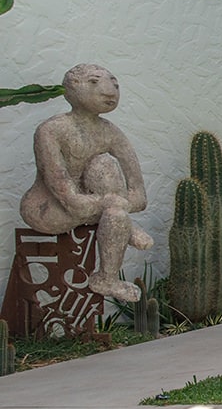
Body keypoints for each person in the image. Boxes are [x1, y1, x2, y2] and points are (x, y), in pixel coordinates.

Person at [20, 63, 152, 301]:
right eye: (94, 82)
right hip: (49, 210)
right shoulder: (51, 130)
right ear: (72, 89)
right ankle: (125, 228)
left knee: (103, 165)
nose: (110, 90)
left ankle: (106, 278)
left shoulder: (111, 132)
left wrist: (115, 208)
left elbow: (140, 196)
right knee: (117, 216)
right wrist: (116, 207)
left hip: (92, 204)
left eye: (115, 83)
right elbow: (69, 198)